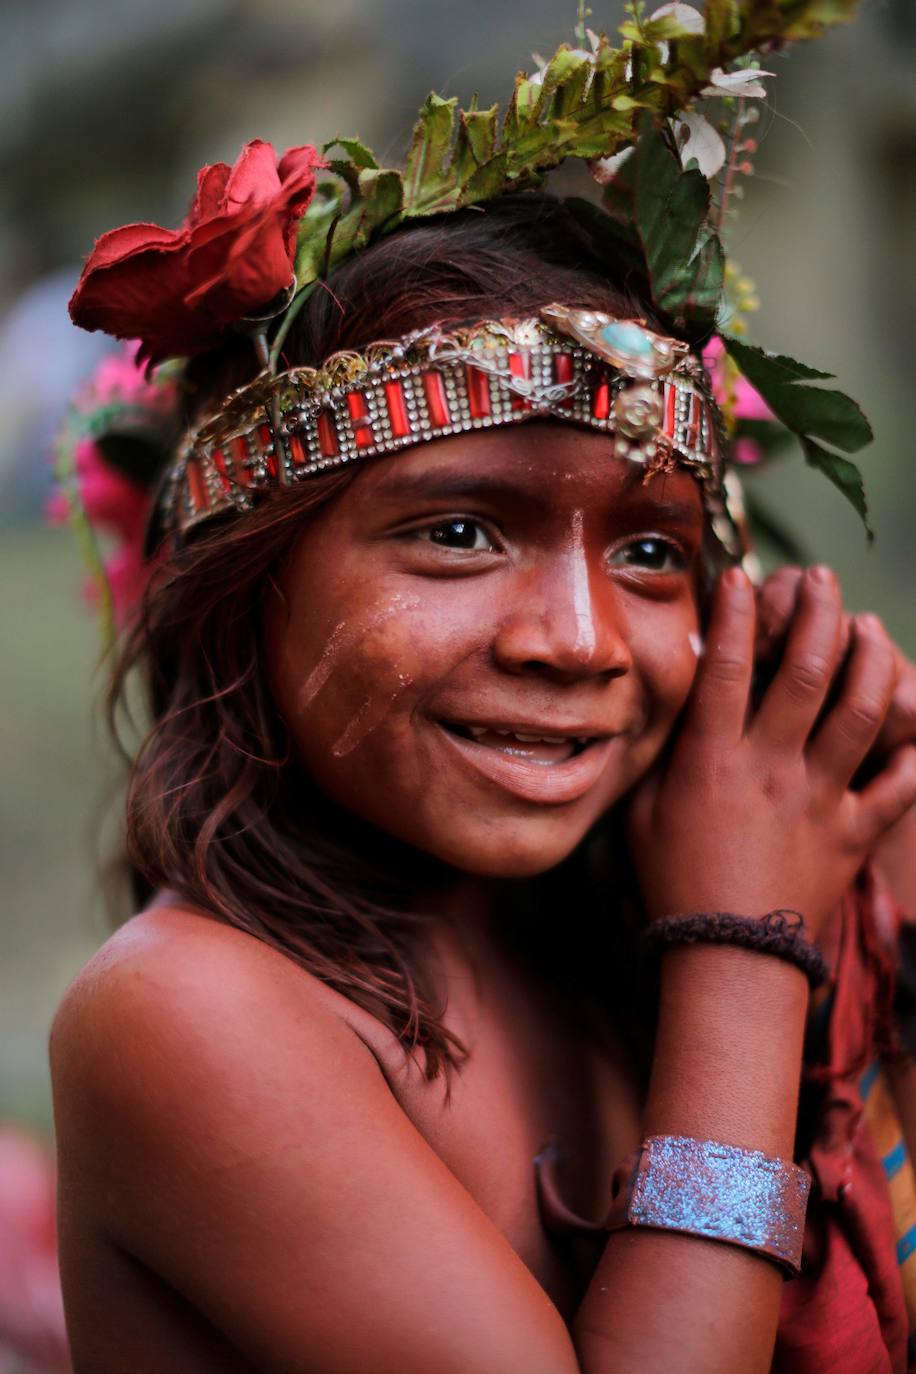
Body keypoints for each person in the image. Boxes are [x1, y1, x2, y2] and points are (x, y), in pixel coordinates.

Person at [48, 18, 916, 1374]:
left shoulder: (590, 921)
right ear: (245, 589)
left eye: (650, 554)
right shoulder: (187, 1013)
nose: (578, 640)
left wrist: (878, 865)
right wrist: (749, 948)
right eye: (458, 533)